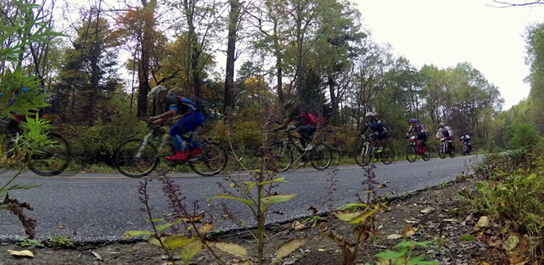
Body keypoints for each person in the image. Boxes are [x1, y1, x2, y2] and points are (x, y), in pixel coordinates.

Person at [149, 85, 204, 161]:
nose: (157, 100)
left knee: (173, 131)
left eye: (157, 97)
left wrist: (156, 117)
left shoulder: (171, 99)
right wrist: (157, 121)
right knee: (181, 134)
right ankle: (194, 149)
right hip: (193, 116)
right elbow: (168, 117)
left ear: (161, 95)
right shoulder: (169, 102)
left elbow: (172, 112)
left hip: (194, 116)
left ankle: (180, 154)